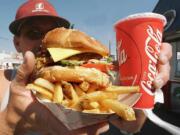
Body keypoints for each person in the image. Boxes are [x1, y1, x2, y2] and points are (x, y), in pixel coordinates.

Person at [0, 0, 172, 135]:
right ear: (17, 43)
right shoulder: (3, 83)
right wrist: (10, 122)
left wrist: (141, 87)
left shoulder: (92, 89)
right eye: (34, 33)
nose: (44, 42)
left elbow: (131, 126)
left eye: (53, 32)